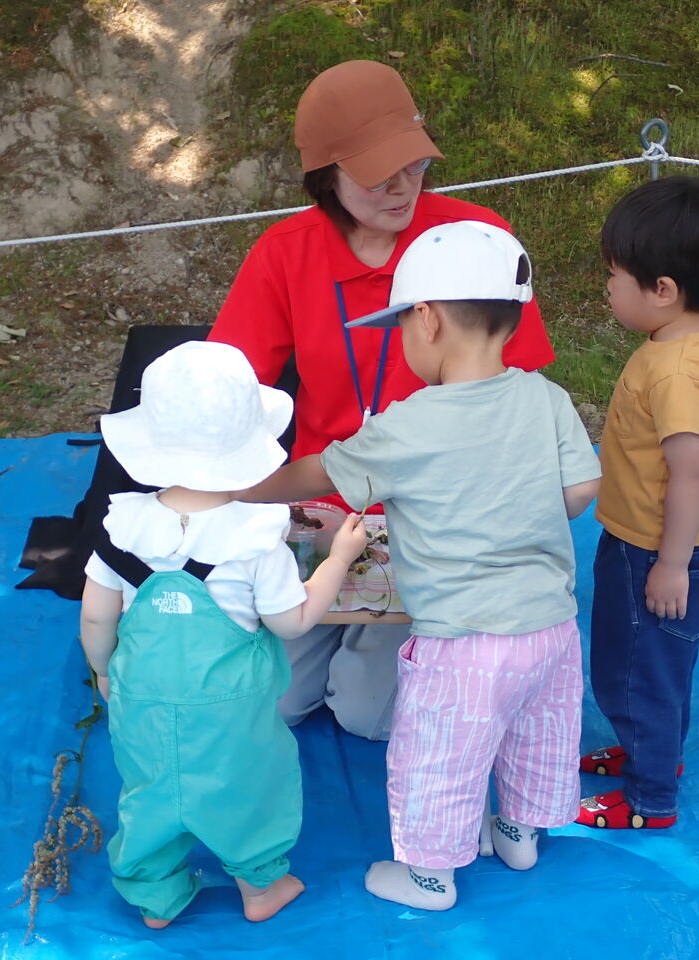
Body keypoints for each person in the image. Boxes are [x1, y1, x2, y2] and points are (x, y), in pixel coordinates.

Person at [239, 221, 602, 911]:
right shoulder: (546, 398)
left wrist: (242, 488)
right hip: (551, 630)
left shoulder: (410, 423)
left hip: (461, 643)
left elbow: (323, 473)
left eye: (403, 324)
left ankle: (429, 877)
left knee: (438, 758)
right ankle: (519, 834)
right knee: (535, 736)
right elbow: (581, 491)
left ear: (428, 319)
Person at [208, 59, 556, 742]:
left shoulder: (476, 240)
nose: (402, 188)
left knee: (367, 714)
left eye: (414, 165)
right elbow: (227, 387)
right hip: (321, 504)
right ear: (326, 178)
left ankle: (382, 649)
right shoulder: (286, 253)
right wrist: (233, 498)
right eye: (377, 175)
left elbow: (520, 399)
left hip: (436, 519)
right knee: (273, 702)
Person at [78, 341, 367, 928]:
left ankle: (156, 897)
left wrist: (105, 670)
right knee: (248, 791)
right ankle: (260, 886)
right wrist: (339, 559)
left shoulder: (124, 525)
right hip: (232, 710)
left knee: (150, 790)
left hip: (142, 698)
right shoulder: (254, 536)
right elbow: (291, 621)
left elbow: (95, 616)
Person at [577, 175, 699, 830]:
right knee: (657, 668)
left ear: (664, 291)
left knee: (639, 673)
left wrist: (671, 564)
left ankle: (650, 799)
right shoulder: (692, 340)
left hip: (657, 551)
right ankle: (654, 752)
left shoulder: (676, 373)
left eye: (615, 276)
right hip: (669, 544)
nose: (607, 287)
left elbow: (689, 473)